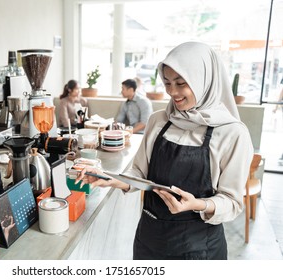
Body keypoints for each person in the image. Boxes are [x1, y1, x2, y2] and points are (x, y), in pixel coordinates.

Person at [76, 42, 254, 260]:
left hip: (199, 250)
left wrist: (198, 204)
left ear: (204, 82)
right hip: (150, 240)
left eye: (181, 83)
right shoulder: (159, 121)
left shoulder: (232, 133)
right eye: (167, 83)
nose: (172, 92)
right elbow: (140, 174)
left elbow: (233, 203)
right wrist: (112, 179)